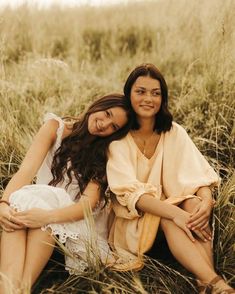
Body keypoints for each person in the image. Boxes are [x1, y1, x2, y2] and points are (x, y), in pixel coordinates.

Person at [106, 64, 234, 294]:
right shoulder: (118, 141)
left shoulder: (173, 132)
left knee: (193, 203)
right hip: (137, 224)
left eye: (156, 93)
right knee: (168, 216)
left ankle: (206, 281)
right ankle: (215, 282)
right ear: (129, 94)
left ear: (163, 98)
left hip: (177, 218)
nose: (148, 98)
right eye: (141, 91)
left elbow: (197, 176)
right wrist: (177, 214)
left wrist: (206, 203)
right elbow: (132, 196)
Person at [0, 93, 132, 293]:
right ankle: (13, 290)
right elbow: (26, 170)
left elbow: (86, 206)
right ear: (97, 105)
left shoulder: (105, 153)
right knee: (18, 206)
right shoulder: (55, 127)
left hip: (76, 222)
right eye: (106, 114)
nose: (104, 124)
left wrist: (46, 216)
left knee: (42, 202)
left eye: (113, 127)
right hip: (41, 208)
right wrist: (4, 204)